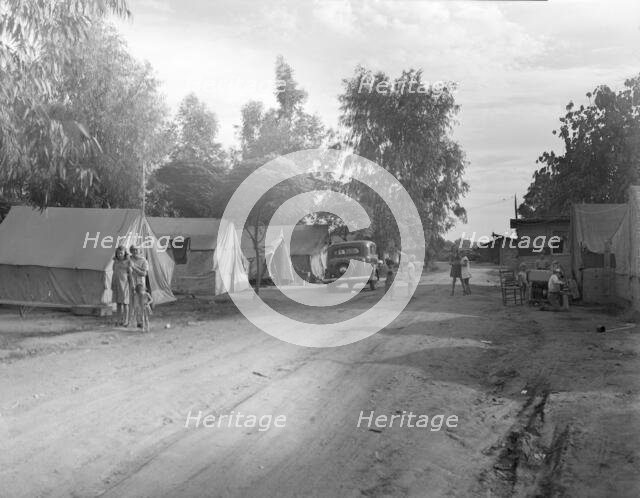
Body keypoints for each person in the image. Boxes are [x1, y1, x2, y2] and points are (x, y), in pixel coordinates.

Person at [128, 246, 149, 328]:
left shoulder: (143, 261)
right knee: (131, 303)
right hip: (130, 283)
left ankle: (141, 321)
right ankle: (131, 321)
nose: (135, 251)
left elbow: (144, 273)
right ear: (131, 251)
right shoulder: (129, 259)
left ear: (140, 251)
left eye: (137, 249)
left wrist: (133, 267)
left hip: (140, 284)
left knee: (140, 303)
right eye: (133, 250)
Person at [111, 246, 131, 327]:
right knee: (118, 303)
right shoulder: (115, 262)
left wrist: (131, 284)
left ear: (124, 253)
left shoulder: (127, 262)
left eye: (121, 253)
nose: (120, 255)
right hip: (116, 284)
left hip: (124, 284)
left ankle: (125, 320)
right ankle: (119, 320)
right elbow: (114, 272)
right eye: (118, 253)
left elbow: (130, 274)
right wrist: (112, 283)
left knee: (125, 303)